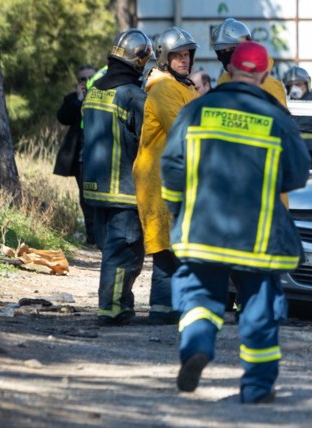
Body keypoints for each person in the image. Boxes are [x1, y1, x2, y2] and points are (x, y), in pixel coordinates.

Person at [161, 41, 311, 403]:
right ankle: (257, 387)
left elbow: (171, 169)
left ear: (229, 70)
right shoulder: (276, 118)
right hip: (257, 237)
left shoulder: (197, 109)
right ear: (262, 74)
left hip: (203, 229)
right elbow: (297, 174)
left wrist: (181, 212)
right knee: (259, 307)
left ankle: (196, 347)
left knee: (200, 298)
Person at [81, 29, 153, 325]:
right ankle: (111, 309)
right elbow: (146, 139)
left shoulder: (96, 89)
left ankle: (123, 303)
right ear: (138, 61)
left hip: (94, 188)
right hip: (123, 189)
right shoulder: (132, 96)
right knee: (125, 252)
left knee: (110, 250)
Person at [133, 26, 200, 324]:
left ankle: (174, 310)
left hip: (177, 179)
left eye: (187, 55)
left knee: (178, 247)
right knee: (164, 248)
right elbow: (184, 131)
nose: (184, 60)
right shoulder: (162, 89)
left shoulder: (184, 87)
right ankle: (160, 314)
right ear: (164, 58)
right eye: (178, 56)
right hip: (158, 179)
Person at [55, 64, 96, 245]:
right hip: (80, 157)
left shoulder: (104, 98)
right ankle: (92, 236)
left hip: (101, 156)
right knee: (85, 198)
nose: (86, 82)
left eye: (90, 78)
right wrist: (79, 100)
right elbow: (63, 118)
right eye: (83, 79)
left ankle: (102, 236)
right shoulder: (72, 99)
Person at [211, 18, 287, 106]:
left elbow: (279, 118)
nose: (227, 55)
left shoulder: (271, 87)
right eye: (223, 51)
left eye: (232, 49)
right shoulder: (223, 80)